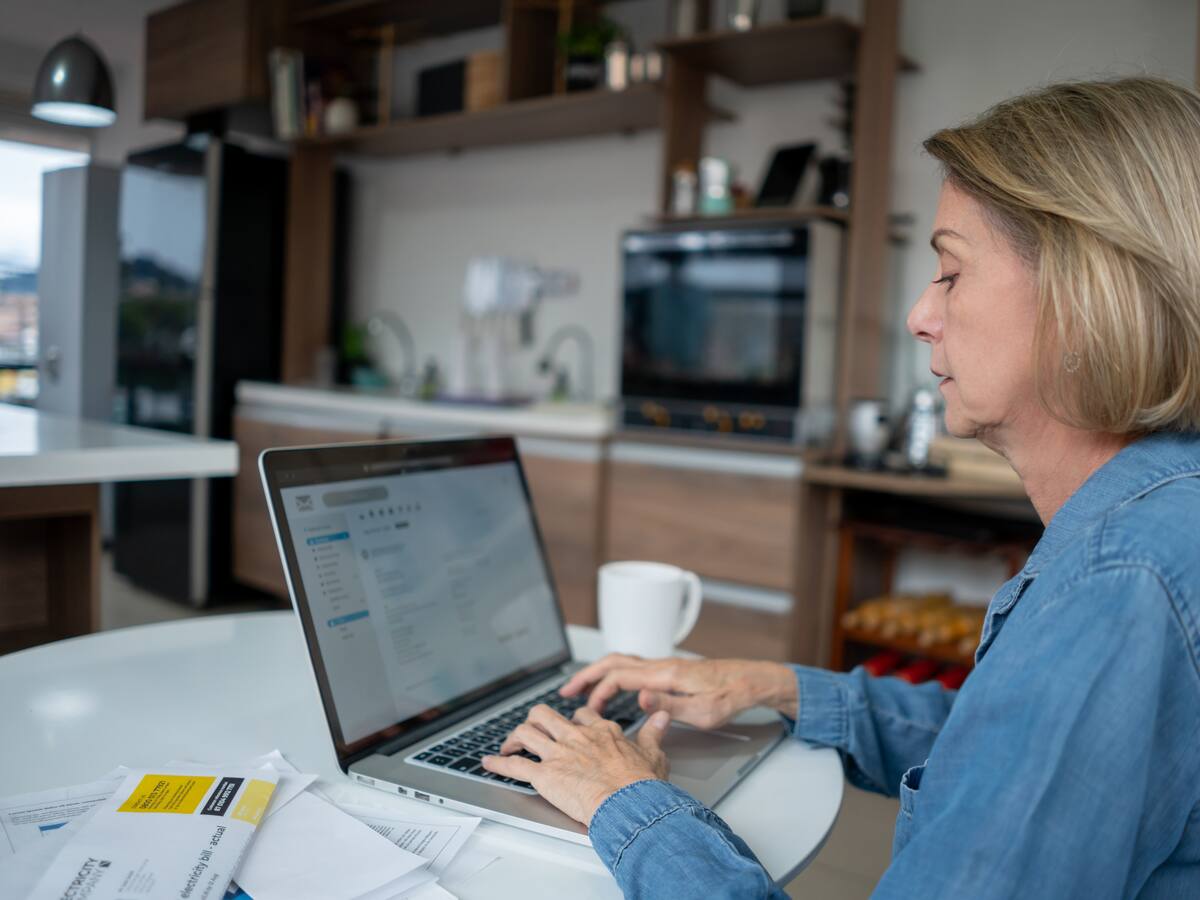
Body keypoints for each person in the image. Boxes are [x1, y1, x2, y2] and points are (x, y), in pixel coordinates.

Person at [481, 76, 1200, 898]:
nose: (919, 315)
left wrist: (627, 802)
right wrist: (778, 687)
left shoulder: (1116, 585)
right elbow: (1002, 751)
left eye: (952, 274)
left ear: (1085, 291)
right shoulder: (1160, 523)